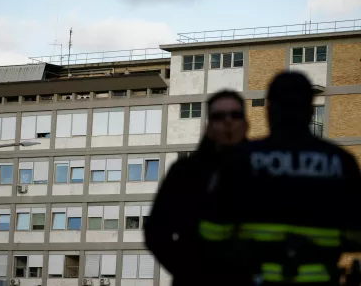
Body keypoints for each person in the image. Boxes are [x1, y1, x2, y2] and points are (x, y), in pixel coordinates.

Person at [196, 71, 361, 286]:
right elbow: (355, 236)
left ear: (270, 111)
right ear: (310, 110)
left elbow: (211, 233)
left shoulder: (241, 159)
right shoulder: (342, 162)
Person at [145, 90, 249, 286]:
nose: (228, 121)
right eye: (219, 116)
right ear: (208, 127)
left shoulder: (263, 168)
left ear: (245, 124)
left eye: (235, 115)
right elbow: (155, 232)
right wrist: (188, 271)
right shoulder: (184, 171)